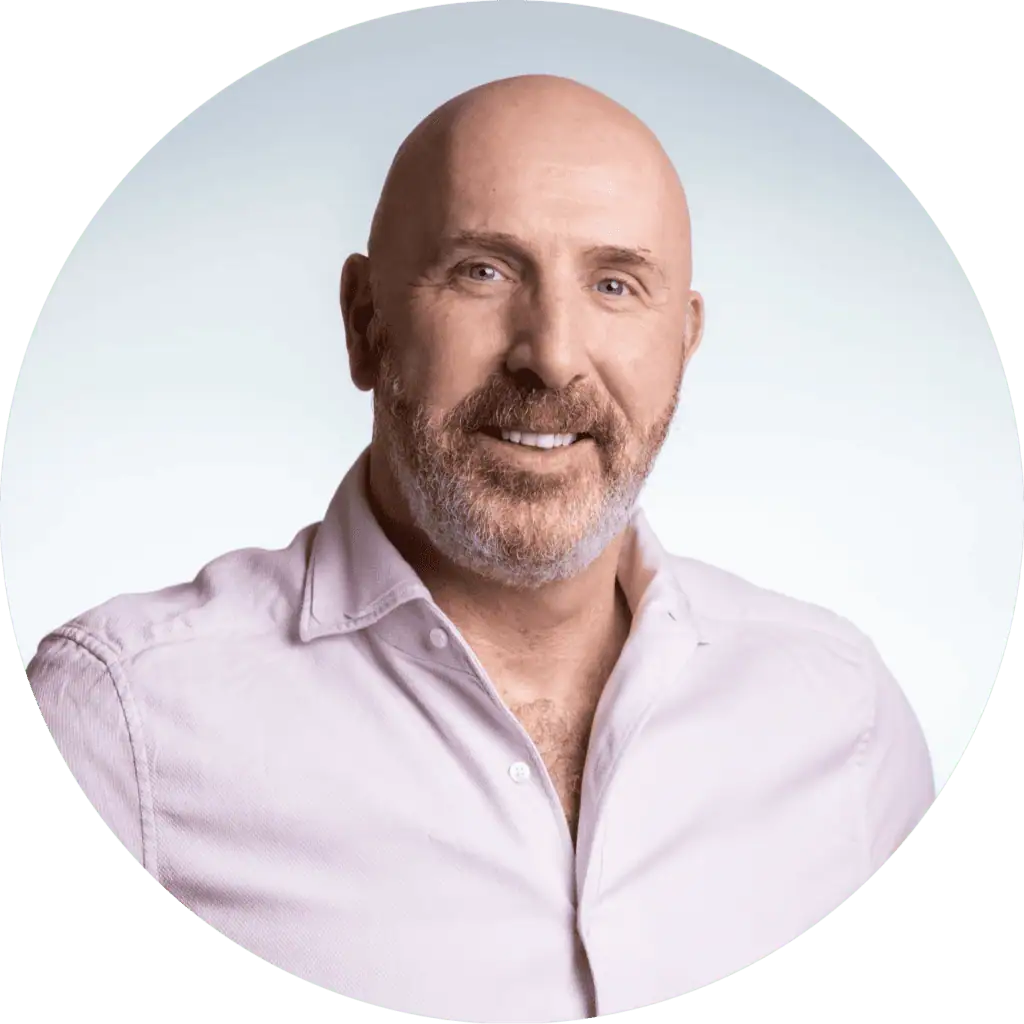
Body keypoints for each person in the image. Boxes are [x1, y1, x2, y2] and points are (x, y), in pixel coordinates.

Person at [26, 75, 934, 1023]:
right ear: (365, 321)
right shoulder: (123, 726)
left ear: (684, 343)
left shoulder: (842, 720)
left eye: (615, 284)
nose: (552, 354)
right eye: (483, 272)